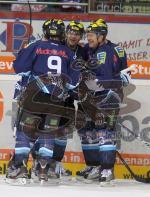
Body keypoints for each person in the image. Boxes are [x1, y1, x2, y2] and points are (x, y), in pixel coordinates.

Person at [5, 18, 75, 185]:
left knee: (25, 132)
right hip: (57, 101)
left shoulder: (36, 46)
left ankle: (20, 169)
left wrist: (25, 51)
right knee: (48, 133)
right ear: (62, 34)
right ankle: (43, 170)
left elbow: (19, 68)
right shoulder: (69, 53)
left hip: (35, 97)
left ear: (45, 32)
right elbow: (73, 83)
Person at [75, 19, 130, 185]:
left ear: (101, 35)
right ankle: (94, 166)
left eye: (91, 35)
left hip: (108, 97)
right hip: (90, 97)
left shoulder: (114, 50)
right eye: (88, 35)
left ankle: (107, 169)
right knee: (86, 130)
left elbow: (123, 78)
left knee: (104, 132)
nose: (88, 38)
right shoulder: (89, 49)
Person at [48, 20, 87, 181]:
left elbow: (86, 73)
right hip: (53, 96)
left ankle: (56, 162)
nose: (73, 36)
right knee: (48, 129)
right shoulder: (58, 47)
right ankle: (43, 163)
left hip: (70, 97)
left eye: (77, 34)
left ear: (80, 36)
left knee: (63, 131)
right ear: (66, 33)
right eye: (70, 32)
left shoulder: (83, 52)